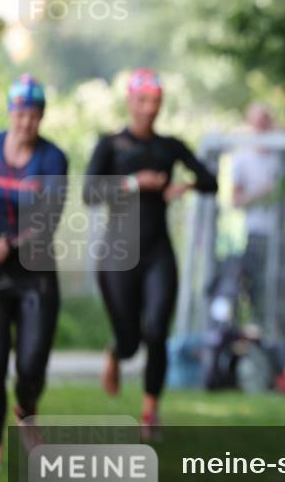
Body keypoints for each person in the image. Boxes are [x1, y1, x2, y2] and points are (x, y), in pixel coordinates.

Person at [84, 68, 217, 437]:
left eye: (155, 102)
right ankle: (115, 352)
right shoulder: (111, 145)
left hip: (158, 252)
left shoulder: (169, 146)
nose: (149, 109)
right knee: (130, 342)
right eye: (142, 101)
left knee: (157, 331)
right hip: (118, 253)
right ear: (130, 102)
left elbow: (211, 181)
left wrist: (184, 187)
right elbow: (89, 193)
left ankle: (149, 415)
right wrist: (133, 182)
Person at [0, 75, 69, 470]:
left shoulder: (52, 158)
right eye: (21, 114)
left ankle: (26, 408)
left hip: (35, 274)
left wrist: (8, 244)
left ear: (41, 117)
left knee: (31, 364)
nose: (26, 123)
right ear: (10, 112)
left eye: (34, 115)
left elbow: (50, 217)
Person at [231, 102, 281, 324]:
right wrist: (262, 192)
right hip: (256, 232)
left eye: (265, 122)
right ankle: (257, 324)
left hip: (282, 235)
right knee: (255, 286)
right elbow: (235, 200)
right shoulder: (242, 158)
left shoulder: (282, 156)